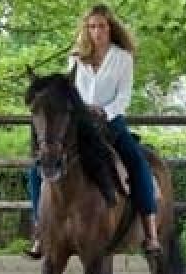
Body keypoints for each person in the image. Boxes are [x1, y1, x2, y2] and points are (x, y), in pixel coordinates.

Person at [26, 3, 161, 259]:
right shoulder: (76, 58)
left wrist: (105, 112)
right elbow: (70, 93)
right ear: (86, 30)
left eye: (101, 26)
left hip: (111, 122)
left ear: (110, 28)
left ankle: (151, 233)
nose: (96, 31)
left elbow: (124, 97)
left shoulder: (123, 58)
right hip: (80, 125)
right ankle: (40, 231)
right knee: (37, 168)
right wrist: (79, 110)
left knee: (137, 162)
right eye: (91, 26)